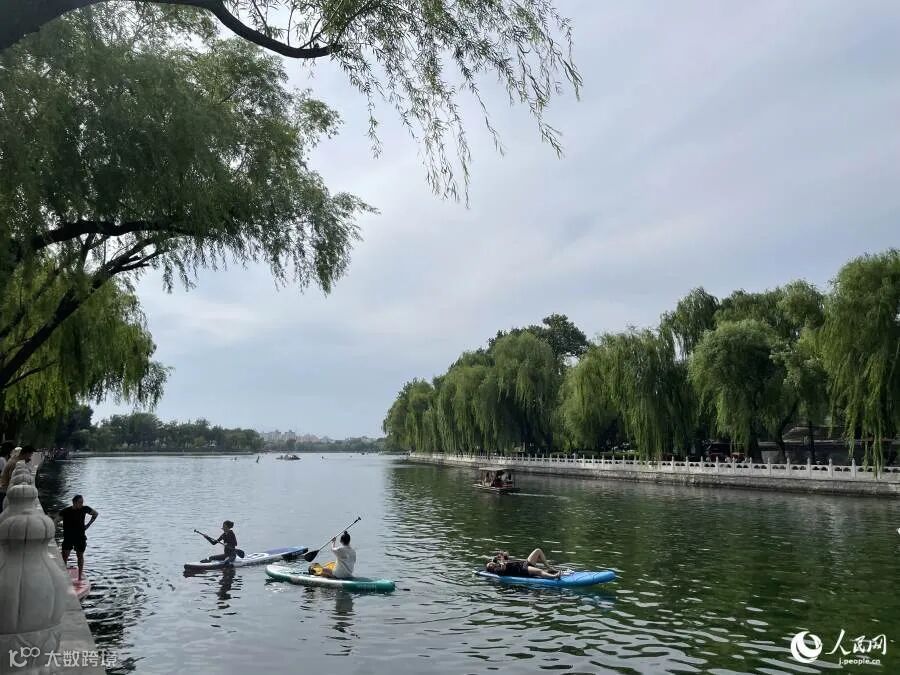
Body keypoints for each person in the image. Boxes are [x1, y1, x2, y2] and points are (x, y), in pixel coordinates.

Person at [56, 495, 98, 580]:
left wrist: (88, 525)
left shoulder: (85, 509)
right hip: (68, 537)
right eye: (80, 502)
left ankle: (79, 576)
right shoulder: (66, 511)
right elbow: (56, 520)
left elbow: (95, 514)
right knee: (64, 556)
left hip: (80, 537)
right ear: (74, 502)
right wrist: (58, 527)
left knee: (80, 556)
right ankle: (63, 576)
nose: (82, 504)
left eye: (82, 502)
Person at [485, 548, 561, 579]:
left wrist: (502, 554)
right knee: (539, 571)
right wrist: (502, 561)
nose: (491, 563)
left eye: (490, 563)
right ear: (491, 568)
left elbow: (507, 554)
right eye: (489, 565)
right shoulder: (496, 570)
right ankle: (554, 576)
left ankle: (549, 568)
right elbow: (503, 569)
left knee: (538, 551)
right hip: (522, 570)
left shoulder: (499, 563)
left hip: (525, 563)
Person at [0, 445, 34, 512]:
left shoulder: (14, 458)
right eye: (30, 455)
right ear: (26, 454)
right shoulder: (15, 463)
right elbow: (13, 480)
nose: (30, 457)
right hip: (4, 490)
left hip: (3, 488)